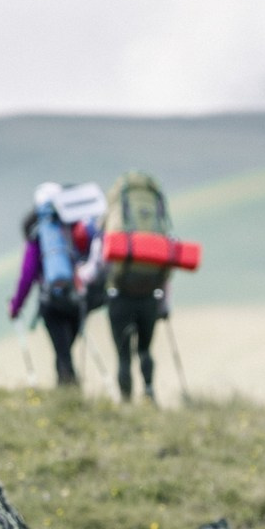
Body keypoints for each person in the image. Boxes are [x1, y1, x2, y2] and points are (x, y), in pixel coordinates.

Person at [9, 182, 91, 387]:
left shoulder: (36, 235)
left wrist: (16, 306)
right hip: (76, 300)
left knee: (62, 352)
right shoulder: (74, 226)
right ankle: (70, 392)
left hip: (50, 303)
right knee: (67, 350)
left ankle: (69, 394)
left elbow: (26, 276)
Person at [103, 170, 173, 402]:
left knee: (123, 356)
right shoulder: (156, 213)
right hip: (149, 296)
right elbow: (166, 261)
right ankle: (150, 392)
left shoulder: (115, 212)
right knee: (145, 350)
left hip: (120, 295)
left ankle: (126, 402)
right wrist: (163, 304)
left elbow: (101, 258)